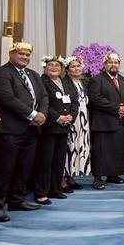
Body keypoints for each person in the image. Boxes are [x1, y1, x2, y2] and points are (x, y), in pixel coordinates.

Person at [0, 42, 49, 222]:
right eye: (21, 54)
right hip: (10, 130)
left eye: (27, 55)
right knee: (5, 169)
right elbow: (7, 98)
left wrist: (43, 115)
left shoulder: (33, 74)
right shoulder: (1, 73)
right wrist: (32, 115)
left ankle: (17, 200)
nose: (25, 57)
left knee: (24, 168)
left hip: (31, 131)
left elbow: (44, 96)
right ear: (12, 54)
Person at [31, 56, 78, 205]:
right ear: (45, 67)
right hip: (49, 126)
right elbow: (42, 103)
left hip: (64, 127)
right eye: (51, 65)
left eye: (57, 65)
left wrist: (72, 115)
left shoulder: (65, 81)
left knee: (59, 161)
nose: (54, 68)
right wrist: (58, 117)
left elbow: (75, 100)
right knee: (45, 161)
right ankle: (41, 192)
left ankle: (56, 189)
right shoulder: (41, 81)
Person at [88, 52, 124, 190]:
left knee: (118, 150)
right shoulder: (97, 80)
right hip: (104, 122)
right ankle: (98, 177)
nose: (113, 65)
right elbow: (95, 99)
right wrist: (117, 108)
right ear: (105, 64)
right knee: (102, 151)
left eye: (116, 62)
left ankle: (113, 175)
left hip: (122, 123)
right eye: (110, 62)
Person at [63, 56, 90, 190]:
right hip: (72, 117)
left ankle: (71, 177)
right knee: (70, 146)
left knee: (79, 146)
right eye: (73, 66)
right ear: (67, 70)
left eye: (78, 66)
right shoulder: (65, 83)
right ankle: (63, 178)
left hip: (83, 118)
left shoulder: (83, 82)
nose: (76, 68)